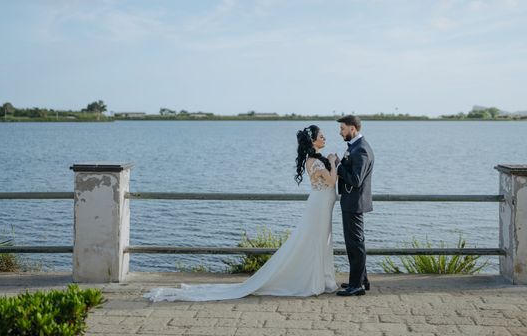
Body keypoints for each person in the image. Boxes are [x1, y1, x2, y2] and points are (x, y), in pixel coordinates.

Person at [143, 125, 338, 302]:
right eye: (322, 136)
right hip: (318, 205)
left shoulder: (315, 159)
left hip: (321, 204)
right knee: (315, 240)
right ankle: (313, 281)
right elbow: (330, 182)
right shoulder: (316, 161)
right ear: (313, 141)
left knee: (321, 241)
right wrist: (333, 162)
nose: (325, 138)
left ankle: (321, 279)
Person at [332, 115, 374, 297]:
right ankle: (361, 279)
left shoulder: (361, 149)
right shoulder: (356, 147)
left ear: (352, 129)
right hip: (351, 201)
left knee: (355, 244)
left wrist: (338, 164)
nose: (340, 132)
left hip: (354, 203)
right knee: (355, 243)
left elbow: (356, 180)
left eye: (342, 128)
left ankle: (357, 286)